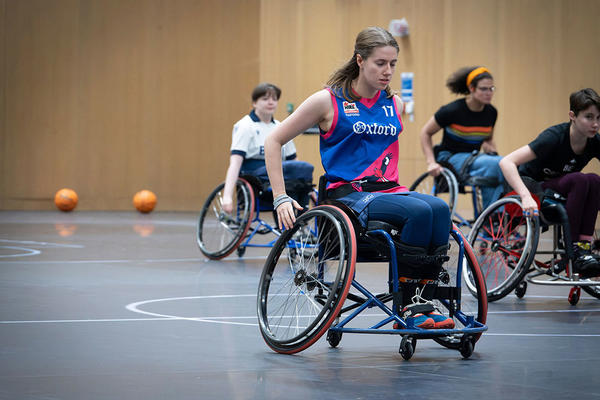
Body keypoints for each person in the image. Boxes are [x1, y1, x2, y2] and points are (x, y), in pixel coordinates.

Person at [264, 27, 453, 329]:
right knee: (419, 211)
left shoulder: (395, 104)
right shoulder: (327, 101)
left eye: (393, 64)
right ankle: (409, 307)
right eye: (380, 63)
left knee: (440, 209)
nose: (388, 71)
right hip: (348, 195)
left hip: (390, 190)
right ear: (360, 60)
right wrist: (281, 196)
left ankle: (424, 301)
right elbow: (273, 141)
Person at [499, 88, 600, 278]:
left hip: (561, 191)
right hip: (534, 190)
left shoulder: (594, 142)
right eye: (589, 117)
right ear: (572, 116)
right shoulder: (554, 137)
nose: (595, 124)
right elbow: (506, 162)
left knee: (594, 180)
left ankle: (583, 248)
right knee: (579, 179)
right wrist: (526, 196)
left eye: (598, 118)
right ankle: (573, 248)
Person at [420, 66, 504, 209]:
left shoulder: (491, 113)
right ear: (471, 88)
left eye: (491, 89)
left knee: (503, 166)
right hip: (450, 158)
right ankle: (492, 220)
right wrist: (431, 162)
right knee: (497, 164)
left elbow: (488, 139)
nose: (489, 93)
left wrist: (493, 153)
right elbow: (425, 133)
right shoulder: (452, 110)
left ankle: (494, 218)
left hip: (474, 158)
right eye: (484, 89)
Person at [222, 83, 312, 214]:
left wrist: (307, 186)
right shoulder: (245, 126)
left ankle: (298, 224)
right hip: (256, 178)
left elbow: (294, 161)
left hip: (282, 174)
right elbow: (235, 164)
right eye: (265, 99)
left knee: (302, 169)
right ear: (254, 103)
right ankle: (289, 224)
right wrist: (227, 196)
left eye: (274, 99)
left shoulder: (281, 126)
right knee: (287, 181)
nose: (271, 102)